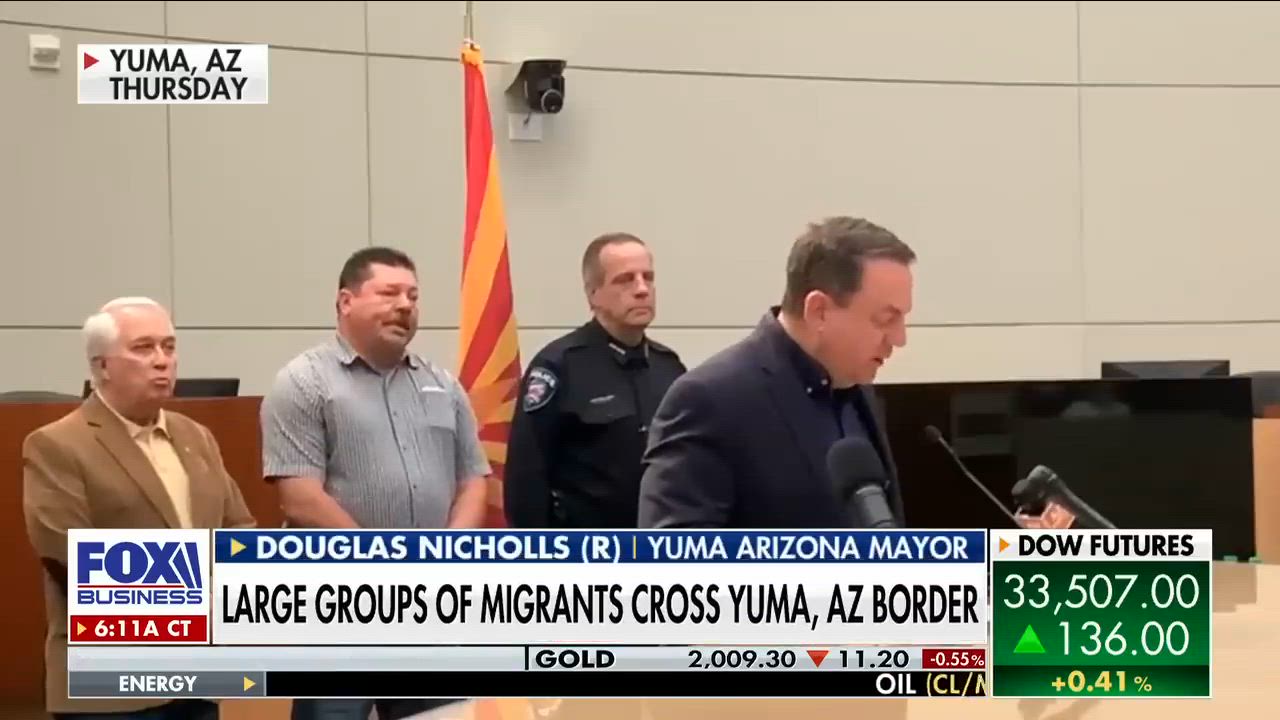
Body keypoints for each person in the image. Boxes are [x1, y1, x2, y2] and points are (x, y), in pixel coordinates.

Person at [261, 247, 485, 720]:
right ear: (346, 301)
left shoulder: (444, 385)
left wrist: (448, 554)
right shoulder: (304, 382)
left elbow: (473, 478)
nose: (405, 305)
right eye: (389, 293)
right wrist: (384, 562)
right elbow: (300, 497)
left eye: (413, 296)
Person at [22, 297, 255, 719]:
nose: (162, 360)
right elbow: (72, 558)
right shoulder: (57, 445)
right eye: (144, 348)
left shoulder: (196, 436)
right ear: (102, 366)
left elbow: (239, 531)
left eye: (169, 346)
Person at [637, 217, 914, 528]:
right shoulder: (709, 399)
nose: (899, 338)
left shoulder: (857, 390)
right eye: (885, 319)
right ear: (819, 311)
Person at [505, 233, 686, 528]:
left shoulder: (669, 368)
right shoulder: (559, 367)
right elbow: (526, 480)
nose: (642, 289)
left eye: (648, 277)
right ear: (593, 294)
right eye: (625, 280)